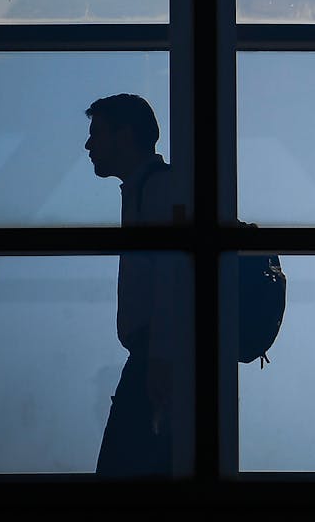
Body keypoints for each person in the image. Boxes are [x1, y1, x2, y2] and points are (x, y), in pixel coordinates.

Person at [85, 93, 192, 477]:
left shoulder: (157, 189)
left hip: (159, 352)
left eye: (97, 134)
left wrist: (161, 356)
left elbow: (173, 277)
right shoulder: (147, 189)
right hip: (159, 352)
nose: (88, 145)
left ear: (124, 135)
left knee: (126, 469)